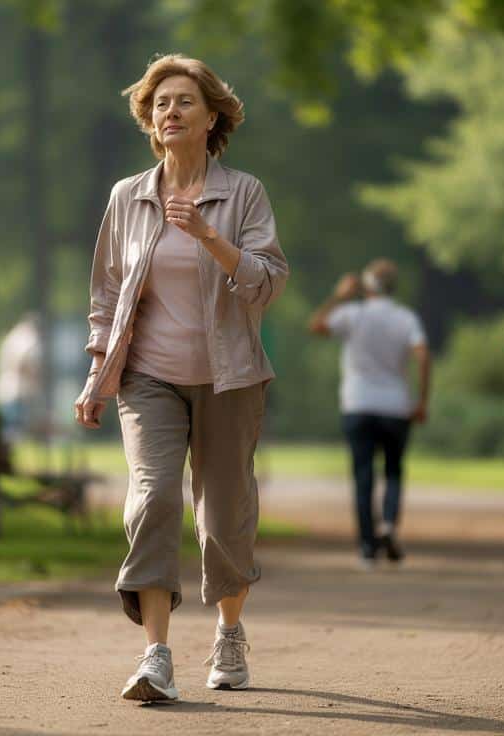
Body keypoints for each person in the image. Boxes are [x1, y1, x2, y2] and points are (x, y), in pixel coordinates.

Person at [74, 54, 288, 702]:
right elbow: (107, 295)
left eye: (183, 102)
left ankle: (228, 633)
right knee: (155, 496)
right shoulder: (127, 196)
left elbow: (267, 283)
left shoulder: (243, 193)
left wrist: (208, 237)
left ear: (212, 116)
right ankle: (156, 655)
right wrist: (94, 376)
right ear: (149, 118)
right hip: (150, 379)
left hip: (230, 380)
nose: (170, 111)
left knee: (224, 521)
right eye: (160, 102)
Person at [308, 259, 431, 569]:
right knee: (393, 470)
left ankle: (367, 548)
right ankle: (388, 525)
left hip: (358, 403)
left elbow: (317, 326)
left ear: (366, 286)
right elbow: (423, 355)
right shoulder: (406, 318)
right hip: (395, 405)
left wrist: (339, 296)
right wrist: (422, 400)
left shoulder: (353, 314)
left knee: (363, 475)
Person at [0, 312, 42, 441]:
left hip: (7, 389)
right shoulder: (27, 338)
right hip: (18, 391)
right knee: (14, 431)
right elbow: (25, 361)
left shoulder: (12, 336)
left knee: (10, 429)